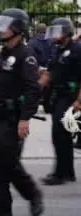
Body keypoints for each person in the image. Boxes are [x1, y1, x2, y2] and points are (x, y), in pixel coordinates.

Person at [0, 8, 43, 216]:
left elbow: (33, 89)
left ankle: (33, 194)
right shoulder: (0, 54)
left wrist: (25, 119)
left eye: (6, 25)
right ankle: (1, 206)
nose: (1, 29)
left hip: (13, 119)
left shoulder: (26, 55)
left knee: (9, 164)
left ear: (18, 29)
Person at [39, 17, 80, 185]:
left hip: (70, 97)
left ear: (66, 32)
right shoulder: (58, 50)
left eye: (58, 31)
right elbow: (49, 74)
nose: (54, 34)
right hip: (58, 96)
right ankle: (67, 172)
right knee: (62, 135)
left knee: (60, 134)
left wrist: (78, 101)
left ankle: (59, 174)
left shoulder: (77, 50)